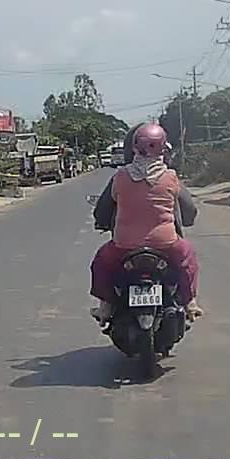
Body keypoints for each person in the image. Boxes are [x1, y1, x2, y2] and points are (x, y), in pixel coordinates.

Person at [90, 122, 203, 324]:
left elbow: (107, 205)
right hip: (166, 243)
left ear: (134, 147)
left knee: (101, 262)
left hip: (124, 245)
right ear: (163, 148)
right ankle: (190, 303)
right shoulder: (170, 177)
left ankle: (105, 306)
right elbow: (189, 209)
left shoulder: (120, 176)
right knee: (188, 256)